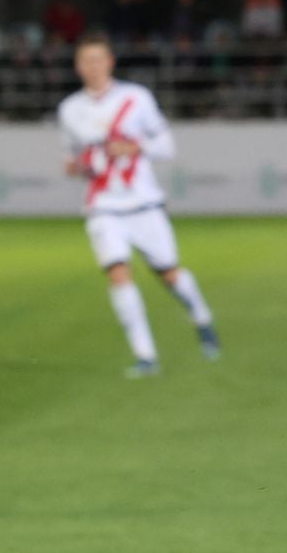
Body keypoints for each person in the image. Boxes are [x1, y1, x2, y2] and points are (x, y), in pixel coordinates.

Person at [57, 32, 220, 375]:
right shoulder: (70, 110)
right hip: (102, 205)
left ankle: (202, 317)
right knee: (118, 273)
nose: (93, 66)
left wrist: (135, 148)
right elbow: (75, 157)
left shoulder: (136, 98)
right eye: (86, 61)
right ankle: (145, 355)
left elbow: (166, 145)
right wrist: (75, 167)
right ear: (78, 66)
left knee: (169, 273)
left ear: (110, 62)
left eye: (99, 59)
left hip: (143, 202)